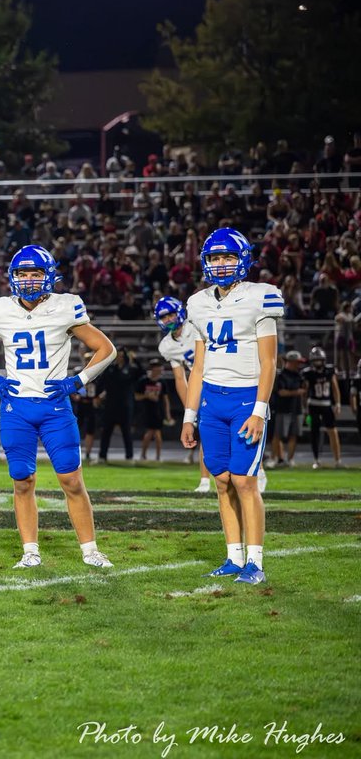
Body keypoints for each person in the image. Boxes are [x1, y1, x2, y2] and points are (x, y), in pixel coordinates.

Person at [0, 245, 116, 569]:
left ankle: (90, 550)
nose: (29, 280)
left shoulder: (66, 306)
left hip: (55, 407)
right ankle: (30, 551)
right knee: (22, 481)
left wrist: (78, 380)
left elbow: (106, 349)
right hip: (16, 407)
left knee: (72, 480)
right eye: (22, 273)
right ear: (12, 277)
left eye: (36, 273)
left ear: (49, 276)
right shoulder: (0, 309)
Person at [181, 227, 283, 585]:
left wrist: (259, 410)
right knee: (222, 480)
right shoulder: (197, 303)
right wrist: (189, 416)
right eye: (214, 258)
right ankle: (233, 556)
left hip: (245, 400)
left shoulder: (262, 296)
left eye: (228, 257)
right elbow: (197, 364)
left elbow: (269, 363)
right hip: (211, 401)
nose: (221, 264)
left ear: (244, 259)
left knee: (244, 480)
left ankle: (255, 562)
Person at [154, 296, 213, 491]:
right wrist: (191, 408)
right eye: (164, 317)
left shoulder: (195, 326)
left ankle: (259, 472)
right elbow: (180, 379)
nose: (169, 320)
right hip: (202, 387)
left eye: (171, 314)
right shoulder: (166, 346)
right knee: (205, 433)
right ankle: (204, 480)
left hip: (221, 378)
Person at [302, 346, 342, 469]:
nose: (318, 362)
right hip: (313, 404)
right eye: (316, 360)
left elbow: (335, 387)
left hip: (326, 405)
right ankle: (316, 460)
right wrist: (305, 408)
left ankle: (338, 460)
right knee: (315, 434)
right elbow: (305, 391)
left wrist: (338, 403)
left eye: (319, 360)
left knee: (333, 432)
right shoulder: (308, 373)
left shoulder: (330, 370)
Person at [97, 350, 138, 463]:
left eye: (121, 356)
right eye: (117, 356)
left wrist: (134, 360)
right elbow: (101, 382)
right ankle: (102, 456)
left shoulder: (131, 369)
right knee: (106, 432)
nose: (119, 358)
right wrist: (98, 395)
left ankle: (129, 457)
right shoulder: (110, 369)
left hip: (125, 406)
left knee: (126, 432)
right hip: (110, 405)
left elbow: (141, 373)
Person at [269, 350, 307, 468]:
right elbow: (281, 392)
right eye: (296, 362)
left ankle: (289, 460)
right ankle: (275, 458)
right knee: (277, 435)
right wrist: (297, 392)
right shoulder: (281, 376)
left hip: (297, 409)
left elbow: (304, 391)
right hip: (282, 409)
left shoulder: (299, 376)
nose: (298, 365)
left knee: (293, 435)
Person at [135, 359, 171, 461]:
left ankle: (155, 455)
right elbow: (136, 396)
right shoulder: (143, 381)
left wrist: (168, 414)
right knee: (152, 433)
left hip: (158, 411)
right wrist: (147, 396)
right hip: (147, 410)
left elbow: (166, 400)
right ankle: (146, 455)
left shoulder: (162, 382)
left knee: (155, 433)